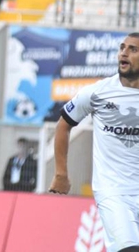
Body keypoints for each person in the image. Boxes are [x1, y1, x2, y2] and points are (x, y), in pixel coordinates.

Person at [50, 33, 139, 252]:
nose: (124, 53)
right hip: (113, 192)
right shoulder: (98, 92)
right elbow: (63, 125)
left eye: (133, 49)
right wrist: (61, 173)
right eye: (122, 48)